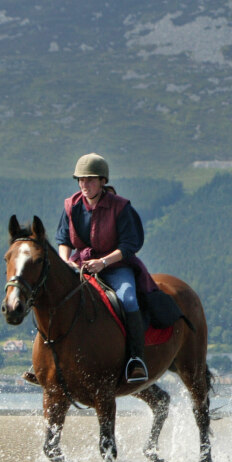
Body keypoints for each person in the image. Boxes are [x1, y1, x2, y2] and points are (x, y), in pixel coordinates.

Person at [57, 153, 158, 383]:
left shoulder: (120, 207)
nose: (85, 185)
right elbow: (63, 240)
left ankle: (135, 360)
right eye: (81, 180)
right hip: (80, 265)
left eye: (90, 180)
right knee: (54, 297)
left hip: (115, 266)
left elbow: (130, 245)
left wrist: (103, 262)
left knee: (128, 299)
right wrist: (66, 261)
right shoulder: (70, 206)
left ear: (103, 181)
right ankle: (49, 360)